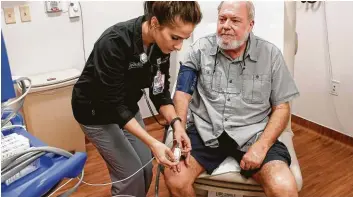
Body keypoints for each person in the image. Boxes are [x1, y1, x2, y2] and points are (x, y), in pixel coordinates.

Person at [164, 1, 300, 197]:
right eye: (222, 19)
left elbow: (282, 107)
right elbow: (182, 93)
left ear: (250, 25)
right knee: (175, 178)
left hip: (254, 134)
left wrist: (261, 148)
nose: (226, 25)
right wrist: (179, 129)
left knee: (284, 187)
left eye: (235, 20)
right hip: (206, 132)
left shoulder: (271, 55)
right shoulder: (200, 48)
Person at [71, 2, 202, 196]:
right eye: (175, 37)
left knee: (147, 167)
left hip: (126, 106)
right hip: (95, 111)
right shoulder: (114, 41)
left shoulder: (160, 47)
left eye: (184, 38)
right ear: (155, 23)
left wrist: (177, 125)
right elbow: (113, 104)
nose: (179, 46)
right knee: (130, 175)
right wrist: (153, 142)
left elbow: (159, 92)